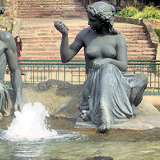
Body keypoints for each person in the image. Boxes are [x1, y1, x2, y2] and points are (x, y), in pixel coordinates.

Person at [54, 1, 148, 133]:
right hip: (94, 81)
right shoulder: (85, 34)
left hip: (115, 80)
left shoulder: (118, 38)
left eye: (92, 20)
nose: (89, 23)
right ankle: (104, 113)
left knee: (141, 78)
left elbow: (123, 67)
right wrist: (64, 35)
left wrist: (107, 60)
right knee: (107, 69)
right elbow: (65, 58)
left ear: (103, 20)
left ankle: (119, 106)